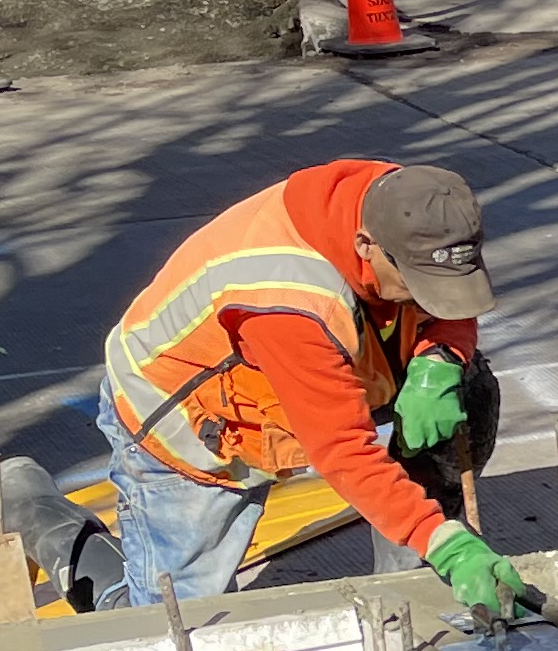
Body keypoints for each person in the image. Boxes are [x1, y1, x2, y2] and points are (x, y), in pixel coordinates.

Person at [83, 158, 530, 619]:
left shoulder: (417, 206)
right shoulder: (287, 302)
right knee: (184, 625)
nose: (428, 298)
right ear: (366, 247)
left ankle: (409, 579)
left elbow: (453, 294)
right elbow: (342, 448)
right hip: (192, 419)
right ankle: (70, 546)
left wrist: (440, 360)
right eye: (417, 284)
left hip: (320, 367)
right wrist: (446, 544)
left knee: (468, 387)